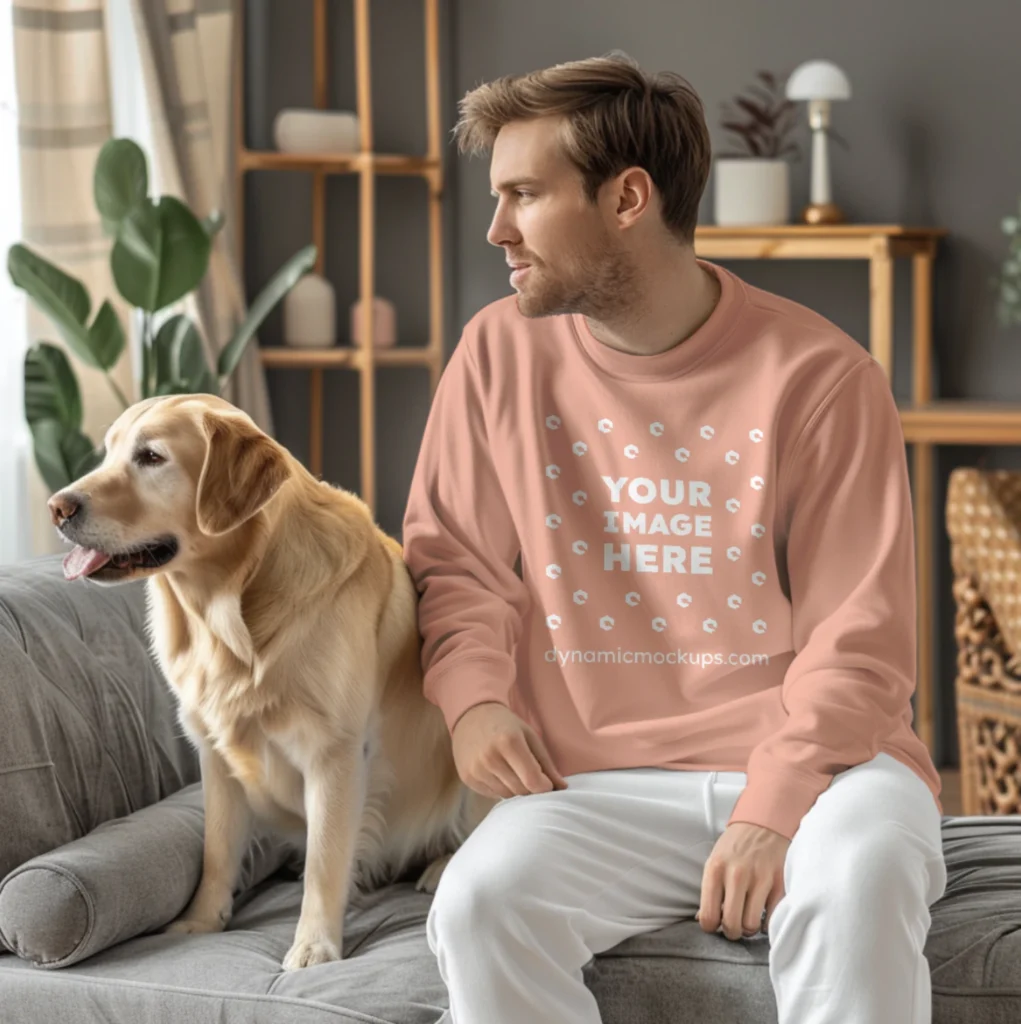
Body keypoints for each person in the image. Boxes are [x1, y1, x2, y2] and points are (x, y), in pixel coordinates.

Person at [401, 51, 947, 1024]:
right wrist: (473, 699)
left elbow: (857, 640)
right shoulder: (495, 352)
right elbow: (455, 561)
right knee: (479, 904)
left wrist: (768, 809)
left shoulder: (820, 376)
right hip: (599, 779)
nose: (496, 229)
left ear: (627, 198)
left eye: (524, 195)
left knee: (858, 880)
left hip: (828, 770)